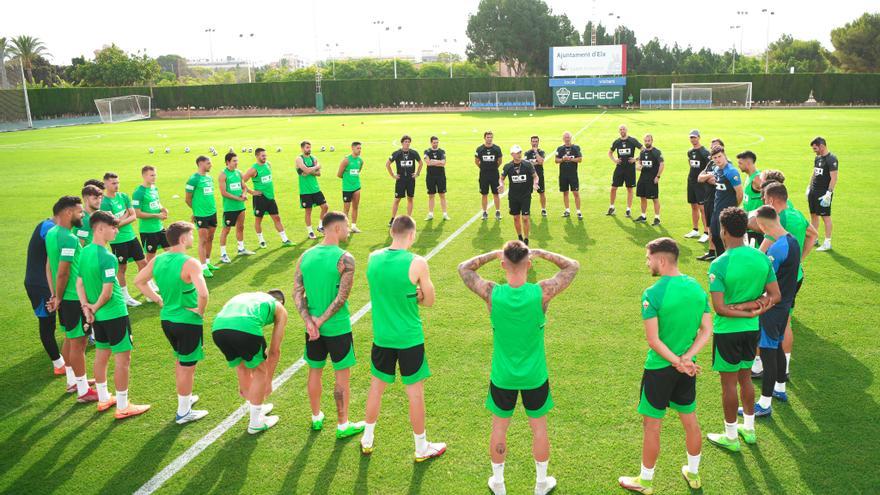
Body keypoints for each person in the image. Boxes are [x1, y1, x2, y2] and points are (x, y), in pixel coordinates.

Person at [458, 242, 579, 495]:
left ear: (503, 264)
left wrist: (494, 253)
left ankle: (499, 484)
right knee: (539, 429)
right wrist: (540, 251)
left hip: (503, 377)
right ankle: (541, 483)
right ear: (530, 263)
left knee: (499, 428)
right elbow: (571, 266)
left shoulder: (492, 293)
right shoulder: (541, 292)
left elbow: (464, 269)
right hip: (535, 376)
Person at [618, 238, 711, 494]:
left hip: (660, 369)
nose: (647, 263)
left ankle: (645, 481)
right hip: (686, 369)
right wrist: (687, 359)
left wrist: (675, 361)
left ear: (661, 260)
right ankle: (693, 474)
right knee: (690, 421)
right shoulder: (696, 287)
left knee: (652, 426)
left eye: (648, 258)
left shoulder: (652, 293)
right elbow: (706, 330)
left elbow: (653, 339)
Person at [360, 216, 445, 461]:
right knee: (415, 393)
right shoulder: (417, 262)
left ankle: (367, 439)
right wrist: (417, 295)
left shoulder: (373, 257)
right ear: (412, 234)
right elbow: (429, 301)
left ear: (392, 232)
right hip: (409, 339)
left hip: (382, 337)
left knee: (376, 389)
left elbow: (383, 290)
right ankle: (421, 447)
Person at [706, 207, 780, 452]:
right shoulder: (760, 257)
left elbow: (720, 309)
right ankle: (748, 429)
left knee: (728, 385)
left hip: (728, 331)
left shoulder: (719, 264)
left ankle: (730, 436)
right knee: (746, 377)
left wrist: (740, 308)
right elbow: (775, 295)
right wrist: (755, 310)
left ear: (723, 230)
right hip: (751, 330)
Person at [294, 211, 366, 438]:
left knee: (314, 371)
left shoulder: (305, 256)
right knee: (341, 376)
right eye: (345, 226)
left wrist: (309, 321)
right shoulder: (345, 258)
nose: (347, 230)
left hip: (312, 330)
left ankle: (316, 417)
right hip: (337, 328)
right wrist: (322, 320)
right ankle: (343, 424)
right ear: (336, 228)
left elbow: (297, 291)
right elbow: (341, 297)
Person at [76, 211, 150, 419]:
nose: (117, 230)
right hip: (115, 314)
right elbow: (107, 293)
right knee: (122, 359)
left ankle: (103, 398)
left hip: (98, 317)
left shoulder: (85, 251)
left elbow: (79, 282)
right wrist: (95, 307)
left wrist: (87, 308)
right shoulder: (108, 257)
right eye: (113, 227)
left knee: (101, 355)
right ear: (100, 229)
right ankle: (123, 405)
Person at [135, 221, 210, 424]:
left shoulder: (158, 260)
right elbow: (203, 293)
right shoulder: (190, 263)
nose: (193, 239)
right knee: (187, 367)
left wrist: (158, 299)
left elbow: (139, 281)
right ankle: (183, 412)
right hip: (187, 322)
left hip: (167, 320)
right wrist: (200, 312)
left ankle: (185, 400)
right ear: (183, 239)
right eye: (190, 236)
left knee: (180, 361)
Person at [751, 182, 818, 393]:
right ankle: (784, 369)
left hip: (779, 280)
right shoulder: (796, 213)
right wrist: (798, 260)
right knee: (785, 322)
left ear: (770, 200)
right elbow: (813, 234)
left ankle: (762, 367)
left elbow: (762, 259)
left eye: (763, 198)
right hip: (794, 275)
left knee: (772, 328)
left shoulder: (779, 222)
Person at [748, 206, 801, 416]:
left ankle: (765, 403)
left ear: (762, 225)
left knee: (768, 353)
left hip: (772, 308)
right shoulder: (792, 241)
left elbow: (766, 280)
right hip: (785, 304)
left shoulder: (777, 249)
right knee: (777, 346)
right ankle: (780, 389)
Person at [212, 290, 288, 434]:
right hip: (245, 326)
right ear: (281, 302)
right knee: (260, 371)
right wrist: (268, 381)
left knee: (242, 366)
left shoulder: (249, 297)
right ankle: (255, 423)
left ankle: (255, 404)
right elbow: (274, 351)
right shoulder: (279, 308)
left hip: (218, 328)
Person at [45, 196, 96, 401]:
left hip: (66, 297)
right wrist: (58, 296)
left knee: (69, 338)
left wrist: (55, 295)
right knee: (78, 343)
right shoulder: (69, 238)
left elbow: (50, 266)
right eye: (79, 212)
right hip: (74, 298)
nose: (82, 215)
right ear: (68, 213)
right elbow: (63, 272)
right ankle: (83, 390)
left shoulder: (51, 233)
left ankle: (72, 380)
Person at [26, 211, 65, 375]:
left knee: (57, 322)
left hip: (45, 283)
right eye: (78, 212)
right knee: (47, 324)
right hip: (40, 286)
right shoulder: (49, 229)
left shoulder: (47, 226)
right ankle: (58, 364)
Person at [101, 172, 146, 306]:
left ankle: (147, 288)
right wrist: (126, 215)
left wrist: (122, 218)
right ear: (105, 184)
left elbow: (134, 216)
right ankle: (125, 296)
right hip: (118, 240)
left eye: (117, 182)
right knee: (122, 268)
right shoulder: (104, 203)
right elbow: (113, 224)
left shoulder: (123, 196)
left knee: (143, 263)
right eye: (113, 183)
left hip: (131, 236)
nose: (116, 185)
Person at [697, 145, 742, 261]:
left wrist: (733, 209)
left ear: (724, 155)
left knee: (726, 238)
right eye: (715, 158)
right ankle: (721, 259)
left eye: (719, 156)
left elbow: (739, 193)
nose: (718, 160)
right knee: (715, 236)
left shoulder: (731, 171)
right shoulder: (716, 169)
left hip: (727, 211)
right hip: (716, 210)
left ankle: (730, 261)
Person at [242, 148, 293, 248]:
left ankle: (285, 239)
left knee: (277, 218)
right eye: (262, 156)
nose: (264, 157)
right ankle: (261, 240)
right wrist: (251, 192)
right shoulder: (253, 169)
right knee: (258, 220)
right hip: (260, 198)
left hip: (270, 197)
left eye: (265, 155)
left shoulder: (268, 165)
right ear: (257, 156)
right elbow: (241, 181)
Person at [185, 156, 220, 278]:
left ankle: (208, 262)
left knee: (210, 238)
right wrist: (196, 211)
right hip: (201, 215)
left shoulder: (209, 178)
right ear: (200, 164)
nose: (211, 165)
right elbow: (188, 198)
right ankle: (203, 267)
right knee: (203, 240)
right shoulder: (193, 179)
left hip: (212, 212)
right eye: (208, 163)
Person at [218, 152, 255, 263]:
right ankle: (223, 254)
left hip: (240, 207)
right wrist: (238, 198)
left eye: (237, 160)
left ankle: (241, 248)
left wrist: (244, 194)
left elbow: (244, 186)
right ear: (227, 162)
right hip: (229, 208)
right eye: (234, 161)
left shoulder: (238, 173)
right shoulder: (223, 175)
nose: (236, 163)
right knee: (226, 230)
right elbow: (223, 193)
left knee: (240, 227)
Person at [500, 145, 539, 245]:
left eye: (520, 152)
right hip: (513, 196)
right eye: (517, 153)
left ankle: (526, 239)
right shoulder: (508, 166)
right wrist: (501, 185)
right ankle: (520, 237)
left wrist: (535, 183)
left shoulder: (528, 165)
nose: (519, 154)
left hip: (525, 195)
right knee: (516, 218)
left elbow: (535, 177)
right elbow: (501, 178)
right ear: (512, 154)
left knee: (525, 218)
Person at [807, 137, 838, 251]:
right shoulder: (817, 158)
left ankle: (827, 242)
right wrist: (809, 187)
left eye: (815, 148)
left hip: (823, 193)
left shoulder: (831, 159)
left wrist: (829, 193)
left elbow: (834, 178)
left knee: (825, 217)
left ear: (822, 146)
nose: (814, 150)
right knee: (813, 215)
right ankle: (814, 238)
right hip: (814, 191)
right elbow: (814, 173)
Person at [386, 135, 423, 226]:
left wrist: (417, 173)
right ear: (402, 143)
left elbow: (421, 163)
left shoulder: (414, 153)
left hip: (411, 180)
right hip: (401, 180)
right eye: (405, 142)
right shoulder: (397, 153)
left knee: (410, 198)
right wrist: (393, 175)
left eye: (408, 142)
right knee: (397, 199)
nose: (407, 143)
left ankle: (409, 218)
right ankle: (393, 219)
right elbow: (387, 164)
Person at [297, 141, 329, 239]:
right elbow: (308, 170)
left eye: (310, 147)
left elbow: (318, 173)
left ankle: (320, 226)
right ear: (302, 149)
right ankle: (310, 231)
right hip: (305, 190)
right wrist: (315, 167)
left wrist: (308, 170)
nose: (309, 149)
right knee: (308, 211)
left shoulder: (313, 158)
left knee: (325, 207)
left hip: (315, 189)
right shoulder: (299, 159)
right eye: (307, 147)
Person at [608, 124, 642, 217]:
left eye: (623, 129)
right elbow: (610, 152)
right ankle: (611, 207)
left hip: (630, 169)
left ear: (626, 130)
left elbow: (643, 150)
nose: (622, 131)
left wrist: (636, 159)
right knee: (613, 187)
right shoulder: (617, 142)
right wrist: (615, 160)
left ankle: (628, 209)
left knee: (629, 189)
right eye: (620, 129)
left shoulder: (632, 140)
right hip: (619, 168)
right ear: (619, 131)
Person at [684, 130, 711, 242]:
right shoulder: (690, 152)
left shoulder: (705, 152)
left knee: (702, 208)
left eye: (694, 137)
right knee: (693, 206)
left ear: (699, 137)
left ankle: (706, 232)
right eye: (691, 137)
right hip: (691, 182)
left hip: (701, 184)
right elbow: (690, 163)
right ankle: (695, 230)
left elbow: (709, 167)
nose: (693, 139)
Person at [634, 134, 664, 225]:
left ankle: (657, 218)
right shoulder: (642, 152)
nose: (647, 142)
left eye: (648, 140)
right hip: (643, 179)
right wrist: (638, 166)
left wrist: (658, 176)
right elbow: (639, 163)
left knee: (655, 198)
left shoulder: (657, 152)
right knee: (642, 197)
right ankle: (643, 216)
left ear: (652, 141)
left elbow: (662, 165)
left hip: (652, 179)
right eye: (645, 141)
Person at [737, 151, 764, 247]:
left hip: (757, 226)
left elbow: (771, 196)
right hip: (749, 223)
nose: (738, 166)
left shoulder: (757, 179)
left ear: (748, 163)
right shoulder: (749, 177)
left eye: (740, 163)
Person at [475, 131, 503, 220]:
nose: (489, 139)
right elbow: (476, 161)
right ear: (484, 138)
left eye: (491, 137)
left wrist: (493, 168)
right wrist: (483, 168)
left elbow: (500, 161)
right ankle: (484, 212)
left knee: (496, 193)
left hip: (494, 174)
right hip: (483, 175)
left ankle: (498, 211)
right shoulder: (479, 149)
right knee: (484, 194)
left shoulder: (497, 148)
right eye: (488, 137)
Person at [555, 131, 583, 219]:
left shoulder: (576, 148)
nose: (567, 139)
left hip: (573, 175)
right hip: (563, 175)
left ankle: (578, 211)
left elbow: (580, 159)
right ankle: (567, 210)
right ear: (563, 139)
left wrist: (570, 159)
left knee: (575, 193)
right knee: (565, 193)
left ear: (571, 138)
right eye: (565, 137)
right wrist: (563, 159)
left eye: (568, 137)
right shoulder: (559, 149)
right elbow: (556, 160)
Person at [337, 141, 364, 232]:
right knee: (346, 208)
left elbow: (358, 171)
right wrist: (348, 180)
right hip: (347, 188)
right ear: (352, 148)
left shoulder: (360, 160)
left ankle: (353, 226)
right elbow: (339, 174)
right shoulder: (346, 160)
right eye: (358, 148)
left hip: (357, 187)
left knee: (355, 207)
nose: (359, 150)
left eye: (360, 148)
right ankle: (345, 227)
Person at [423, 136, 450, 221]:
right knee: (431, 195)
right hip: (430, 176)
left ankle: (445, 214)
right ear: (431, 142)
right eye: (434, 142)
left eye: (437, 142)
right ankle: (430, 214)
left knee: (442, 195)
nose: (436, 144)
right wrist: (438, 162)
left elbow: (443, 163)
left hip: (441, 176)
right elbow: (427, 163)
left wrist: (433, 161)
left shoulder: (442, 151)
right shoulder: (427, 151)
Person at [525, 136, 548, 217]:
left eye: (536, 141)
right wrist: (536, 162)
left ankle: (543, 209)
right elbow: (526, 164)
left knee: (541, 192)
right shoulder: (527, 153)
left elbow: (541, 162)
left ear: (538, 142)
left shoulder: (541, 152)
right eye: (533, 141)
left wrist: (536, 152)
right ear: (530, 142)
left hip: (539, 175)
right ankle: (527, 209)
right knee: (528, 194)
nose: (534, 143)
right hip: (529, 176)